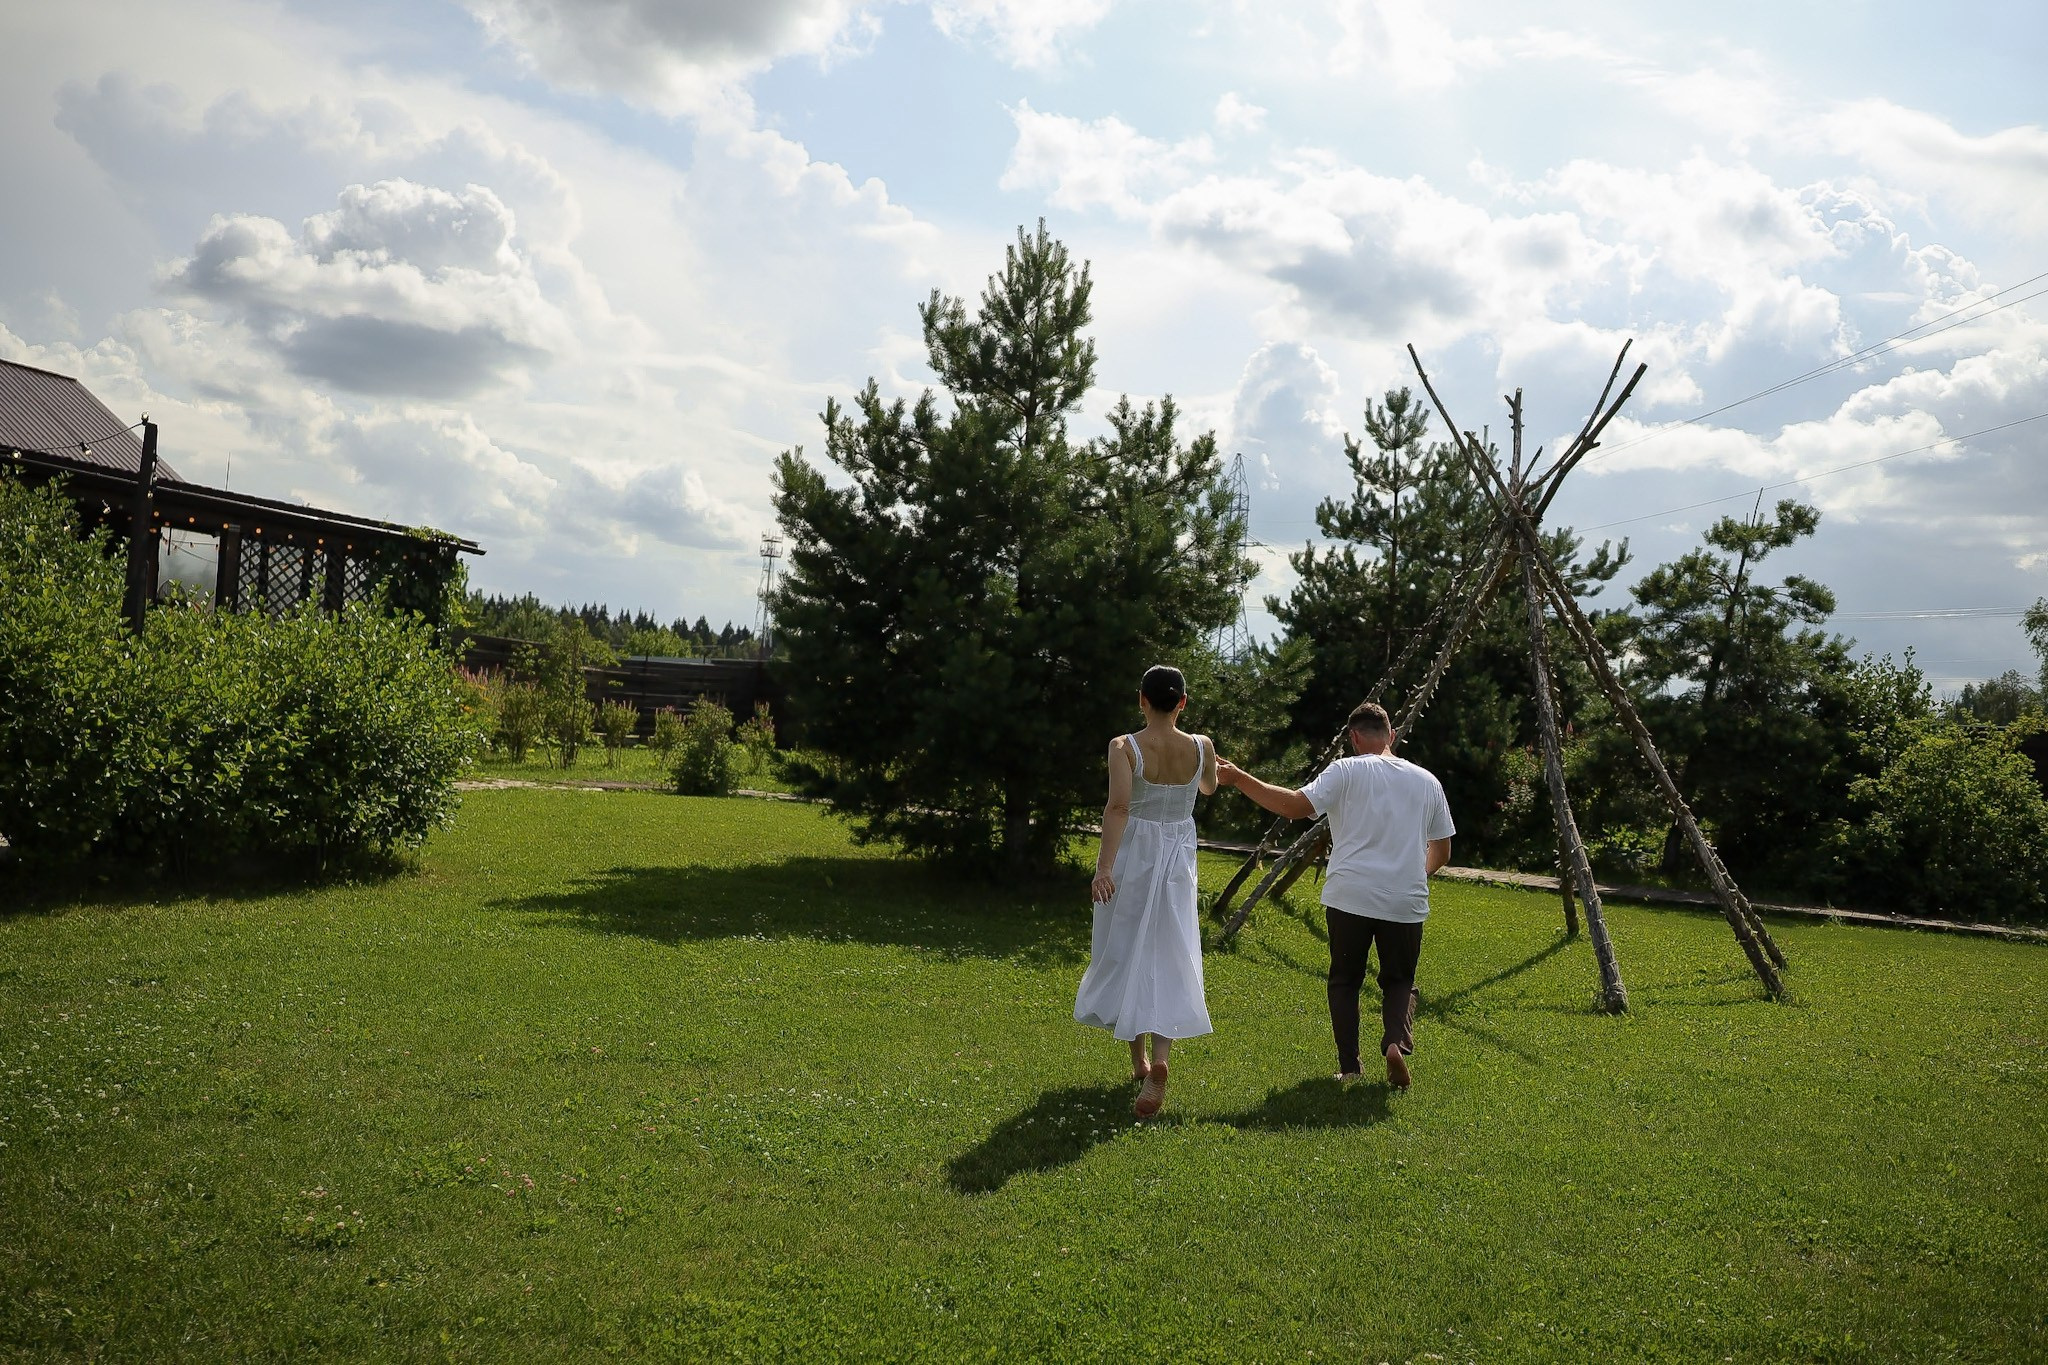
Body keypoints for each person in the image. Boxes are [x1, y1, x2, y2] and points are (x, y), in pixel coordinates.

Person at [1216, 701, 1453, 1090]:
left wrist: (1241, 778)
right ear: (1392, 735)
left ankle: (1350, 1066)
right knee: (1400, 981)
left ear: (1353, 738)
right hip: (1405, 900)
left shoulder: (1345, 769)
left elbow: (1293, 807)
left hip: (1349, 896)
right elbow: (1442, 851)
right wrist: (1416, 873)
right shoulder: (1428, 781)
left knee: (1345, 980)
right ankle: (1395, 1042)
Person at [1074, 665, 1217, 1119]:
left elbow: (1118, 807)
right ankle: (1157, 1061)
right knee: (1170, 949)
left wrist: (1103, 868)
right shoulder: (1202, 746)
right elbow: (1210, 785)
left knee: (1127, 944)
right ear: (1183, 703)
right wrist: (1217, 772)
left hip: (1136, 853)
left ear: (1142, 699)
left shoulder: (1125, 747)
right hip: (1178, 855)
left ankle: (1139, 1060)